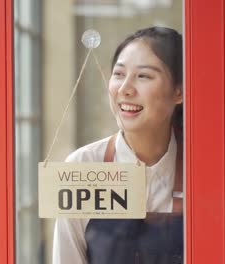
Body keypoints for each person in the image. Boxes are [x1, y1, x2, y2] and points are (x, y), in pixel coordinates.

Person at [53, 26, 184, 264]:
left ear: (179, 91)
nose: (125, 89)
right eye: (119, 74)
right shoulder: (83, 167)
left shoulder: (202, 169)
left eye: (143, 76)